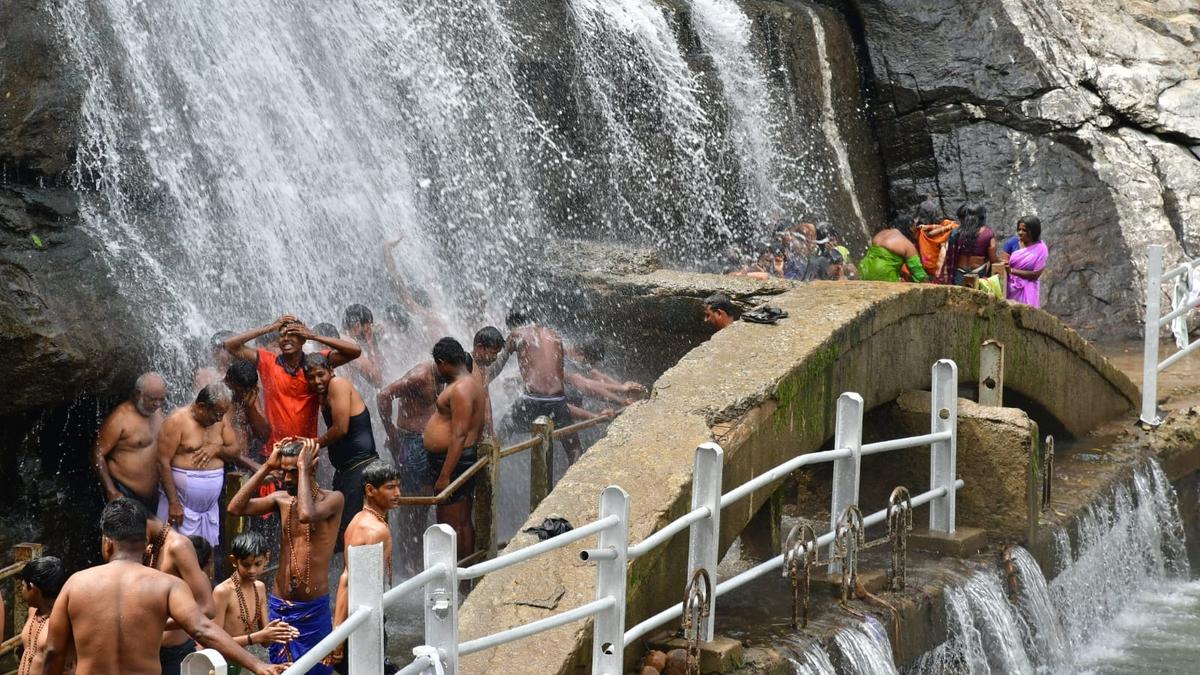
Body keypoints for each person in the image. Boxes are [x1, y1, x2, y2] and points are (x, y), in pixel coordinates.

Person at [41, 499, 282, 675]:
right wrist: (258, 665)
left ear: (107, 542)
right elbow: (203, 628)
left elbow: (53, 651)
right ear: (145, 541)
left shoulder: (75, 584)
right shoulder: (167, 586)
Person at [228, 439, 344, 674]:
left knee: (317, 670)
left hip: (312, 609)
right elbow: (235, 508)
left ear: (313, 467)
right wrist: (267, 467)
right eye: (284, 472)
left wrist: (302, 467)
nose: (287, 479)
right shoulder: (281, 499)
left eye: (293, 472)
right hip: (280, 605)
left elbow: (306, 514)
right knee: (280, 670)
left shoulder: (333, 499)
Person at [223, 315, 362, 452]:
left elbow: (355, 351)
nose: (286, 339)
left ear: (303, 339)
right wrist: (269, 328)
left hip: (305, 450)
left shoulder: (314, 366)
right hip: (274, 450)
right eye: (282, 335)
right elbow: (230, 345)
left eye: (292, 334)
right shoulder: (268, 362)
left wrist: (314, 336)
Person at [302, 352, 380, 553]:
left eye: (321, 375)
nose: (317, 381)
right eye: (311, 377)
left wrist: (314, 444)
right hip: (349, 471)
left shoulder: (338, 384)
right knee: (344, 533)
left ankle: (360, 581)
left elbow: (341, 428)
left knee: (354, 534)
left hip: (361, 468)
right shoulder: (324, 393)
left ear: (331, 371)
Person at [328, 461, 401, 672]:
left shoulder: (358, 519)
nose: (397, 493)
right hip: (361, 621)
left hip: (359, 616)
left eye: (398, 486)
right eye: (390, 487)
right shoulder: (375, 530)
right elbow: (348, 579)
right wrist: (338, 635)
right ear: (370, 490)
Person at [424, 338, 486, 560]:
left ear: (443, 363)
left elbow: (459, 435)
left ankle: (458, 578)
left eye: (437, 365)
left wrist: (445, 475)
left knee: (450, 524)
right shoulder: (471, 382)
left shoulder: (460, 388)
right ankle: (463, 580)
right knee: (461, 522)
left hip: (452, 462)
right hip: (459, 459)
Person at [143, 509, 220, 675]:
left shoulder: (178, 547)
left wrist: (158, 624)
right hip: (147, 652)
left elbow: (208, 609)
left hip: (174, 653)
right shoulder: (149, 551)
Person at [156, 383, 236, 542]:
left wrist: (217, 449)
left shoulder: (220, 420)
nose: (220, 419)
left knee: (207, 556)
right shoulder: (176, 421)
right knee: (175, 554)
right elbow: (161, 462)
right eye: (217, 414)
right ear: (201, 407)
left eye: (222, 414)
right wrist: (174, 503)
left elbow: (235, 450)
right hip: (180, 506)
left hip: (209, 510)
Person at [502, 310, 583, 463]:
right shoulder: (554, 335)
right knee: (574, 448)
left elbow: (498, 363)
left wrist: (482, 378)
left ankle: (486, 462)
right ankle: (574, 484)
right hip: (558, 400)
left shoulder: (516, 334)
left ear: (514, 326)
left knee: (501, 432)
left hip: (532, 399)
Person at [213, 531, 299, 675]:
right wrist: (256, 637)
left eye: (257, 564)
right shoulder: (222, 592)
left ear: (267, 559)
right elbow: (214, 642)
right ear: (234, 561)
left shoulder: (259, 587)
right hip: (217, 664)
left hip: (240, 661)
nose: (252, 570)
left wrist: (277, 631)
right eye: (246, 565)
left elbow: (265, 642)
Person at [92, 373, 168, 514]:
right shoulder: (119, 418)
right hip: (125, 493)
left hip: (154, 495)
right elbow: (97, 454)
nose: (157, 404)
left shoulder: (157, 412)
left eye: (161, 399)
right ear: (139, 394)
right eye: (152, 399)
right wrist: (111, 491)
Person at [378, 360, 442, 497]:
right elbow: (384, 396)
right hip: (411, 443)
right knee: (412, 498)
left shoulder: (441, 375)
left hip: (426, 442)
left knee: (426, 496)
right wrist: (391, 432)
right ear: (442, 363)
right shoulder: (419, 377)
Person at [17, 556, 71, 675]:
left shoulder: (65, 618)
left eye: (23, 586)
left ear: (32, 587)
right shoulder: (33, 611)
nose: (22, 591)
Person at [224, 360, 271, 470]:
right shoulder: (219, 398)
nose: (243, 395)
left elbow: (264, 436)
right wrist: (254, 466)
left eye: (247, 391)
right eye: (239, 391)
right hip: (225, 466)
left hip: (247, 462)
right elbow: (219, 444)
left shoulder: (249, 394)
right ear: (228, 382)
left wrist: (250, 408)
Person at [858, 215, 929, 283]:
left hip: (864, 269)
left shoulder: (882, 233)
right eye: (914, 227)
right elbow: (920, 275)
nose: (915, 230)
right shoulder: (907, 245)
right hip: (884, 275)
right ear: (910, 228)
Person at [947, 203, 999, 285]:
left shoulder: (956, 232)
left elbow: (949, 255)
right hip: (978, 273)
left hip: (959, 273)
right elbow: (993, 260)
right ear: (982, 217)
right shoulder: (988, 233)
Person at [1002, 216, 1049, 307]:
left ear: (1033, 232)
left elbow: (1035, 275)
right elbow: (1003, 266)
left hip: (1029, 289)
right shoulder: (1012, 243)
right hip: (1010, 288)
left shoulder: (1041, 249)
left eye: (1024, 230)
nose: (1020, 233)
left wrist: (1012, 271)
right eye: (1019, 229)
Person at [471, 326, 507, 435]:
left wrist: (491, 432)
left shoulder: (484, 368)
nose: (495, 357)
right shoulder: (467, 368)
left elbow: (486, 400)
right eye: (493, 352)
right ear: (479, 348)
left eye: (497, 354)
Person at [342, 304, 384, 388]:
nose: (370, 332)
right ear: (357, 326)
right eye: (368, 329)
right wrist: (370, 344)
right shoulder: (349, 344)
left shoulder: (339, 339)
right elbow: (378, 381)